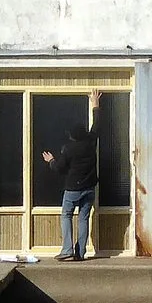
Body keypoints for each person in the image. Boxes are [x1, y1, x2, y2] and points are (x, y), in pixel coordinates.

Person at [42, 92, 103, 260]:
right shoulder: (91, 142)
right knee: (83, 219)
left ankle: (67, 250)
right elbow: (97, 125)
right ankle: (80, 253)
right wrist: (95, 105)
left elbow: (59, 168)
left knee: (66, 215)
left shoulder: (69, 149)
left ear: (71, 136)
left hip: (73, 189)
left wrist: (51, 160)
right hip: (89, 188)